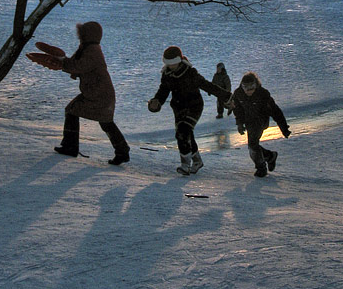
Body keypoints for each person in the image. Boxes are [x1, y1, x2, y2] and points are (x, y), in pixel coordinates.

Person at [27, 21, 130, 166]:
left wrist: (62, 63)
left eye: (81, 34)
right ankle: (121, 152)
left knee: (90, 117)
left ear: (87, 35)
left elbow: (80, 66)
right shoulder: (86, 48)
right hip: (96, 92)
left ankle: (72, 146)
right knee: (99, 120)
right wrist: (61, 60)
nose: (79, 36)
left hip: (99, 94)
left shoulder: (93, 50)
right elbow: (75, 64)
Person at [148, 46, 233, 175]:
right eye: (168, 63)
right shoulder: (166, 75)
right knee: (186, 135)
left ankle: (185, 165)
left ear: (179, 60)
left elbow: (207, 86)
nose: (170, 66)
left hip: (194, 106)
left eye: (172, 63)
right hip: (178, 107)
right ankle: (197, 161)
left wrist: (227, 97)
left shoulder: (190, 73)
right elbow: (163, 92)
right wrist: (156, 102)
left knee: (182, 132)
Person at [232, 72, 291, 178]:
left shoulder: (263, 94)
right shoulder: (238, 94)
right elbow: (237, 110)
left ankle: (261, 168)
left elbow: (275, 111)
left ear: (256, 85)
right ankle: (270, 156)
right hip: (249, 122)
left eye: (252, 87)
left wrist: (284, 128)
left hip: (260, 121)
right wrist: (239, 123)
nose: (249, 91)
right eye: (246, 88)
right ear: (242, 86)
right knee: (252, 146)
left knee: (253, 145)